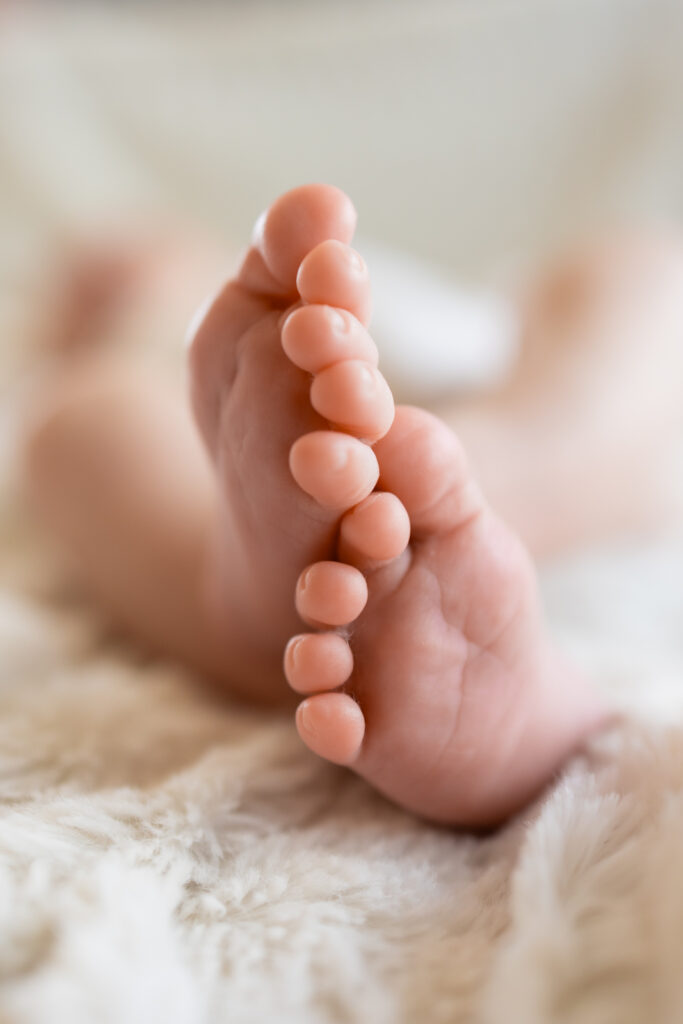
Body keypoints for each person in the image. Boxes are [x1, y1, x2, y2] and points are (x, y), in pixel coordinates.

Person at [23, 185, 683, 826]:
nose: (120, 274)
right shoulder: (139, 361)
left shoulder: (386, 290)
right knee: (74, 416)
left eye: (143, 262)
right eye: (92, 290)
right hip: (225, 441)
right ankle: (270, 588)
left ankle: (477, 478)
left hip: (472, 359)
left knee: (638, 266)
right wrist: (125, 336)